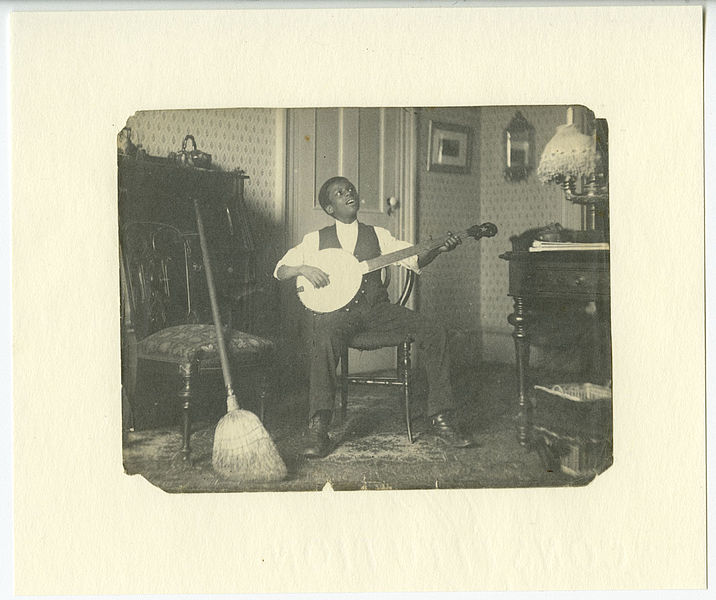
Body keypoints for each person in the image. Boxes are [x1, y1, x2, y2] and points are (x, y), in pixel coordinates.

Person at [275, 176, 473, 457]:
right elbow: (281, 269)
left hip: (378, 310)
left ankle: (442, 418)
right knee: (324, 336)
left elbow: (414, 259)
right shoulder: (316, 239)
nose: (348, 194)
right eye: (339, 193)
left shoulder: (378, 234)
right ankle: (318, 428)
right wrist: (303, 269)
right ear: (329, 208)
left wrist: (437, 249)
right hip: (339, 315)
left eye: (350, 189)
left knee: (433, 329)